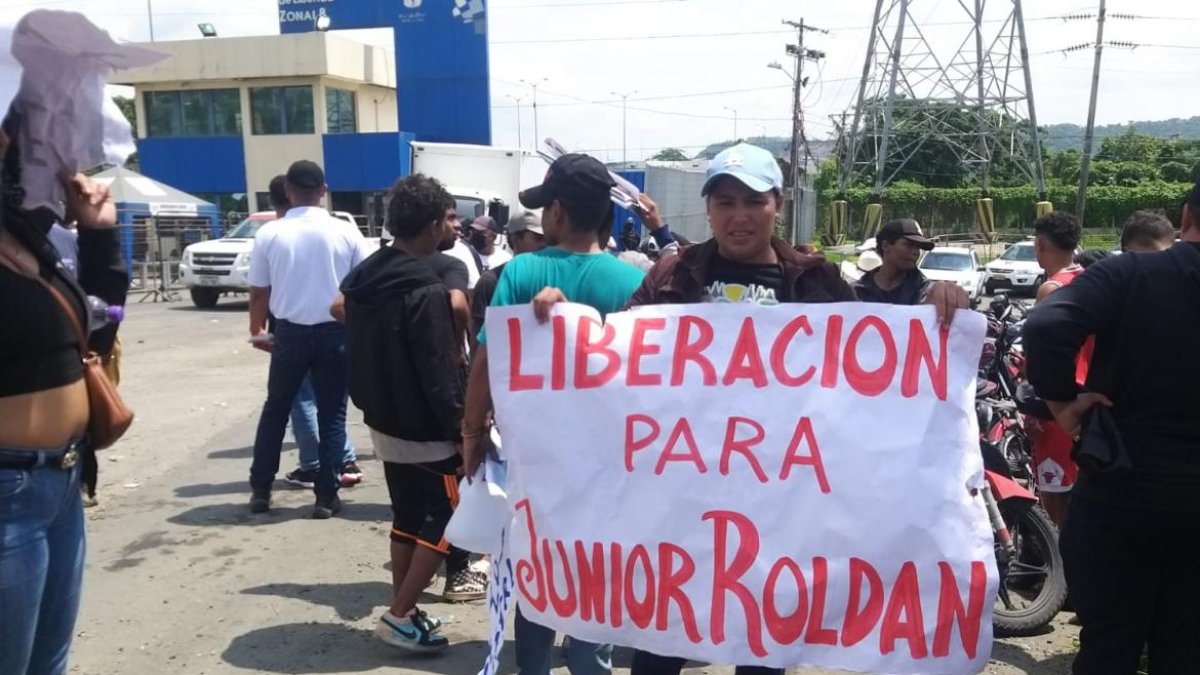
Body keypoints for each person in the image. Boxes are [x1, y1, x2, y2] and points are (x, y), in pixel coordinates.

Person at [525, 144, 967, 675]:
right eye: (725, 202)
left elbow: (874, 365)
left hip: (780, 510)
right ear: (708, 210)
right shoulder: (671, 275)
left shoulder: (816, 280)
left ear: (778, 204)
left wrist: (937, 306)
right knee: (660, 648)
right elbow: (616, 362)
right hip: (679, 509)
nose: (740, 215)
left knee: (764, 650)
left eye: (754, 201)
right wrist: (564, 324)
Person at [462, 152, 644, 675]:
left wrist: (471, 433)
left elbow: (487, 360)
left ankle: (535, 667)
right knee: (596, 579)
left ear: (558, 212)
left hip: (536, 462)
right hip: (609, 465)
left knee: (537, 571)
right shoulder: (632, 282)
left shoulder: (522, 271)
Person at [1022, 181, 1200, 675]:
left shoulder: (1129, 273)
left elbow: (1045, 326)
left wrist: (1063, 404)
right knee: (1187, 646)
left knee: (1109, 644)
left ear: (1186, 217)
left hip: (1122, 486)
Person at [0, 132, 127, 673]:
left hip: (61, 481)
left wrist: (98, 234)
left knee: (47, 664)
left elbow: (97, 332)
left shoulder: (27, 235)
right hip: (9, 490)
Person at [337, 174, 465, 653]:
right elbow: (438, 369)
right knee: (449, 518)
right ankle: (398, 613)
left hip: (382, 420)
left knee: (408, 514)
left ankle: (404, 611)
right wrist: (462, 429)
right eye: (446, 220)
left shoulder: (364, 278)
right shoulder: (424, 290)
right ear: (432, 226)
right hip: (426, 427)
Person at [246, 160, 372, 518]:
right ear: (324, 191)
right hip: (336, 331)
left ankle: (261, 489)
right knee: (332, 414)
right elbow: (364, 287)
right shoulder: (347, 233)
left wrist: (257, 330)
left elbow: (259, 291)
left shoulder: (270, 234)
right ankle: (326, 495)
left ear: (287, 191)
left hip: (290, 332)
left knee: (276, 409)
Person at [1028, 211, 1089, 527]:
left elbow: (1042, 357)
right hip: (1089, 396)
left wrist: (1033, 411)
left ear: (1040, 245)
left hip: (1058, 405)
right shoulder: (1091, 279)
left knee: (1055, 499)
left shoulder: (1051, 289)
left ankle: (1062, 556)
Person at [469, 210, 546, 342]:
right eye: (538, 238)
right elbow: (477, 339)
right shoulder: (491, 282)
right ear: (515, 238)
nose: (544, 245)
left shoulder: (551, 280)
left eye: (548, 240)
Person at [852, 218, 935, 304]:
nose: (916, 252)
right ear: (885, 246)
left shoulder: (925, 293)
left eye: (918, 247)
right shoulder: (857, 291)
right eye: (909, 244)